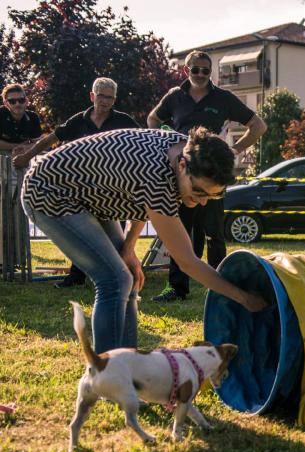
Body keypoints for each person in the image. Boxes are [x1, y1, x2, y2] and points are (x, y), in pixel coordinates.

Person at [21, 127, 267, 354]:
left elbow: (140, 201)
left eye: (212, 196)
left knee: (126, 273)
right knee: (114, 280)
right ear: (182, 166)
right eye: (200, 191)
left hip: (91, 194)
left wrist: (128, 248)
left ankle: (129, 367)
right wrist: (244, 298)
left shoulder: (185, 149)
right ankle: (110, 376)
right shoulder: (158, 178)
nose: (202, 202)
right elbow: (187, 262)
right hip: (48, 191)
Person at [147, 50, 266, 302]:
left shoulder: (223, 98)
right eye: (195, 70)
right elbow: (152, 119)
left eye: (205, 70)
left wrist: (233, 150)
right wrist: (165, 142)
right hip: (183, 178)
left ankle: (222, 288)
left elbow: (258, 126)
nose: (200, 74)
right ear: (185, 70)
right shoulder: (175, 97)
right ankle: (176, 289)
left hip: (212, 178)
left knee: (214, 233)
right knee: (181, 233)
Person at [13, 77, 140, 288]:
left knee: (118, 239)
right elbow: (50, 139)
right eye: (101, 96)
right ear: (92, 96)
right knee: (83, 233)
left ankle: (124, 276)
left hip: (115, 190)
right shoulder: (78, 120)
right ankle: (77, 276)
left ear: (114, 100)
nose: (105, 101)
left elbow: (141, 143)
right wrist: (27, 157)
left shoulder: (124, 121)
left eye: (110, 97)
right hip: (82, 189)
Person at [0, 84, 42, 156]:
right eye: (12, 101)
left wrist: (24, 148)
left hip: (22, 155)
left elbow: (39, 144)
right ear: (5, 103)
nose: (17, 104)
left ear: (26, 101)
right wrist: (17, 146)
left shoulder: (33, 117)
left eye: (21, 100)